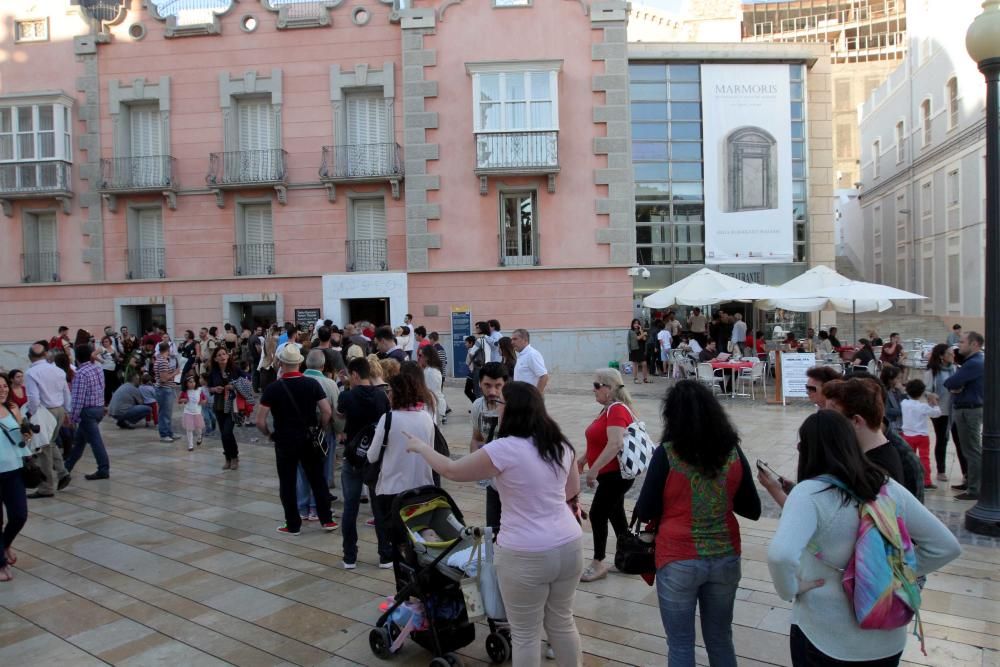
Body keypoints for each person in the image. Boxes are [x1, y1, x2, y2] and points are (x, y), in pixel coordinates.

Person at [403, 381, 583, 667]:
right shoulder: (560, 443)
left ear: (511, 410)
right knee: (562, 621)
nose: (495, 408)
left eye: (500, 403)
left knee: (525, 633)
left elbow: (451, 469)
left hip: (525, 552)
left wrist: (422, 447)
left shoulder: (504, 449)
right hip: (569, 545)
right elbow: (571, 492)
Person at [767, 410, 961, 666]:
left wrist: (789, 589)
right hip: (886, 638)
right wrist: (890, 574)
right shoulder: (886, 485)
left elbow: (780, 555)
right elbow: (946, 546)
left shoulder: (809, 493)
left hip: (825, 634)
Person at [635, 380, 761, 667]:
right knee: (720, 637)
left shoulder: (667, 454)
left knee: (680, 643)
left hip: (677, 557)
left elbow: (645, 509)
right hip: (725, 555)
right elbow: (752, 508)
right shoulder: (732, 452)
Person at [257, 345, 337, 535]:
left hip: (285, 439)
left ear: (281, 363)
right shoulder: (312, 384)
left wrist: (269, 434)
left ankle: (293, 524)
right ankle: (326, 520)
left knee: (287, 482)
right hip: (308, 438)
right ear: (300, 363)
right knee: (317, 478)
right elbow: (326, 411)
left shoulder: (273, 388)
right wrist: (320, 427)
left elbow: (260, 420)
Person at [366, 371, 436, 568]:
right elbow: (431, 452)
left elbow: (372, 456)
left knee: (398, 545)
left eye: (389, 391)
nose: (388, 395)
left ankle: (404, 584)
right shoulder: (426, 418)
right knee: (418, 542)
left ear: (397, 393)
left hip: (392, 491)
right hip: (422, 489)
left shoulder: (388, 418)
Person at [580, 368, 636, 583]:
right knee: (616, 514)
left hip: (615, 474)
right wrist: (584, 458)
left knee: (597, 514)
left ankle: (598, 562)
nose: (593, 390)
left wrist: (593, 470)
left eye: (596, 385)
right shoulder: (607, 409)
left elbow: (615, 443)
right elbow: (600, 440)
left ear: (609, 388)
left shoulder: (617, 410)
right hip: (610, 473)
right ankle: (628, 557)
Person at [337, 356, 391, 569]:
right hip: (375, 458)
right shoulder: (382, 396)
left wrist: (344, 386)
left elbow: (338, 416)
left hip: (353, 457)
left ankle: (350, 556)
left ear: (356, 375)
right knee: (379, 507)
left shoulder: (347, 396)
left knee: (350, 507)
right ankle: (385, 555)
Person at [23, 344, 73, 497]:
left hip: (44, 411)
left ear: (30, 356)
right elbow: (66, 392)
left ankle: (47, 487)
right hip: (58, 409)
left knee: (43, 449)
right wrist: (67, 411)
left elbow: (33, 398)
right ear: (45, 355)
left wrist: (32, 414)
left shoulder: (31, 372)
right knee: (49, 443)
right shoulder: (57, 370)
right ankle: (63, 472)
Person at [298, 350, 341, 523]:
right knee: (322, 471)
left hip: (300, 432)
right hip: (323, 431)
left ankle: (302, 507)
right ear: (323, 366)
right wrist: (337, 430)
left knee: (301, 472)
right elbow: (334, 411)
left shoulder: (297, 381)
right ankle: (317, 507)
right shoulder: (330, 383)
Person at [943, 331, 984, 501]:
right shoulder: (971, 362)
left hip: (970, 409)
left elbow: (950, 382)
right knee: (967, 449)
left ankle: (975, 489)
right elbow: (954, 384)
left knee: (972, 450)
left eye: (962, 342)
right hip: (966, 408)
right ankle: (970, 482)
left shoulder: (974, 363)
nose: (958, 345)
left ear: (974, 344)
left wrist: (957, 386)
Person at [470, 362, 509, 534]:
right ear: (479, 383)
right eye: (487, 385)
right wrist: (474, 466)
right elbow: (477, 438)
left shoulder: (515, 407)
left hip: (514, 478)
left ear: (505, 385)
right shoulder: (478, 406)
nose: (492, 391)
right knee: (493, 527)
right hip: (492, 479)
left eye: (498, 386)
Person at [0, 373, 31, 582]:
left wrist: (27, 434)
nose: (2, 389)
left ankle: (5, 544)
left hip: (14, 469)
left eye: (4, 386)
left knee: (19, 515)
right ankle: (1, 564)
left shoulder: (12, 408)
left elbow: (23, 438)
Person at [64, 344, 110, 480]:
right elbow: (102, 388)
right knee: (79, 441)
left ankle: (103, 469)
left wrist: (72, 418)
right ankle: (67, 467)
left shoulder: (80, 374)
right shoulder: (98, 368)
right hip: (98, 408)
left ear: (77, 357)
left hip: (87, 412)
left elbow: (78, 399)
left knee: (95, 441)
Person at [923, 344, 965, 485]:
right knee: (942, 440)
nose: (953, 355)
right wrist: (931, 395)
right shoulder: (932, 372)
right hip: (940, 411)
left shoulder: (955, 369)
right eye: (949, 353)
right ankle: (941, 470)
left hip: (955, 409)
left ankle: (966, 472)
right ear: (941, 356)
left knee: (960, 441)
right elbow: (926, 390)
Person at [900, 379, 940, 490]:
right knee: (924, 459)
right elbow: (937, 414)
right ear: (921, 392)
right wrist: (935, 404)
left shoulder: (904, 403)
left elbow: (903, 393)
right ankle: (926, 481)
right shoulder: (922, 407)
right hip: (922, 436)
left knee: (908, 459)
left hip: (907, 435)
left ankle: (908, 480)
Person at [208, 347, 242, 470]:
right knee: (223, 434)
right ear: (216, 359)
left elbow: (246, 380)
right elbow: (209, 387)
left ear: (227, 356)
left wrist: (233, 386)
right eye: (219, 355)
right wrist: (214, 389)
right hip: (219, 405)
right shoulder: (214, 372)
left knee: (227, 432)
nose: (222, 356)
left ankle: (234, 457)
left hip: (232, 406)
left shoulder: (234, 369)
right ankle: (227, 458)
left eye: (224, 354)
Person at [152, 342, 180, 443]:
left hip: (164, 389)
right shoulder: (163, 361)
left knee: (167, 413)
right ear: (168, 349)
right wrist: (175, 373)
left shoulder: (159, 360)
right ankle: (164, 434)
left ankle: (169, 432)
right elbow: (164, 379)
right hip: (164, 389)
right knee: (164, 413)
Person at [511, 329, 549, 393]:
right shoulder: (521, 355)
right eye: (512, 339)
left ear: (525, 340)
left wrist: (536, 396)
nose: (512, 342)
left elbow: (544, 376)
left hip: (529, 398)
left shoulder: (532, 354)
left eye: (515, 339)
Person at [418, 345, 447, 425]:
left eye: (421, 356)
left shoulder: (430, 372)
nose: (419, 358)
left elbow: (431, 393)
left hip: (433, 408)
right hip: (434, 407)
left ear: (427, 357)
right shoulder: (429, 370)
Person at [177, 375, 207, 452]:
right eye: (190, 382)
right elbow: (179, 401)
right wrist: (183, 400)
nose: (192, 383)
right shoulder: (184, 392)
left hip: (197, 412)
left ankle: (199, 437)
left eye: (193, 382)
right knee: (189, 429)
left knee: (198, 428)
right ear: (186, 383)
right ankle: (190, 445)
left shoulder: (199, 390)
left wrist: (203, 401)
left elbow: (204, 399)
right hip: (188, 412)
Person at [880, 365, 905, 432]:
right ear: (890, 379)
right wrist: (904, 411)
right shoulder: (885, 392)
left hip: (901, 423)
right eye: (898, 378)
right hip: (891, 424)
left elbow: (907, 403)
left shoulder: (898, 390)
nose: (900, 380)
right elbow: (887, 410)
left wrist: (903, 393)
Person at [98, 335, 121, 405]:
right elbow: (93, 355)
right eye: (104, 342)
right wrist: (101, 360)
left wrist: (117, 358)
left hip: (114, 369)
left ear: (110, 342)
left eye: (106, 341)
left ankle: (116, 401)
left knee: (117, 385)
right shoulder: (101, 349)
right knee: (107, 387)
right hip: (106, 369)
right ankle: (107, 403)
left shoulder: (113, 347)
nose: (105, 343)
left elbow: (117, 356)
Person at [627, 319, 650, 384]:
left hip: (641, 349)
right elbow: (637, 338)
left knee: (644, 364)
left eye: (637, 323)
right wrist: (644, 333)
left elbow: (644, 339)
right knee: (635, 364)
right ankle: (635, 379)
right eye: (635, 323)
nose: (636, 325)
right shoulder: (631, 331)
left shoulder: (640, 331)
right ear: (632, 324)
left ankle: (645, 379)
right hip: (634, 349)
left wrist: (641, 331)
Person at [465, 335, 484, 402]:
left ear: (471, 343)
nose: (465, 344)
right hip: (475, 372)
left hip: (473, 372)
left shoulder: (471, 351)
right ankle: (476, 405)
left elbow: (467, 362)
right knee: (476, 390)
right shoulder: (478, 350)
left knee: (468, 390)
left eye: (466, 343)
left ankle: (476, 405)